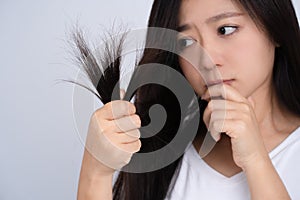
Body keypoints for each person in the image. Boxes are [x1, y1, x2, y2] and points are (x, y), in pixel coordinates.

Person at [77, 0, 300, 199]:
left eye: (226, 29)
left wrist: (255, 161)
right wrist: (96, 171)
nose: (207, 60)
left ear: (275, 29)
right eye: (186, 43)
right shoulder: (159, 150)